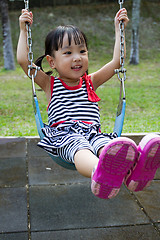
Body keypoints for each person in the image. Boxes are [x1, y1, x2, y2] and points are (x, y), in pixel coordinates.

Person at [17, 8, 160, 199]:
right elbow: (23, 61)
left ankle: (135, 172)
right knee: (80, 147)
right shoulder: (49, 84)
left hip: (93, 133)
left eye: (82, 51)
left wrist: (119, 31)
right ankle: (98, 172)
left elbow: (117, 61)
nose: (77, 57)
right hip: (65, 135)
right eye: (68, 52)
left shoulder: (90, 82)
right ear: (52, 62)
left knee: (110, 146)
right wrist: (23, 30)